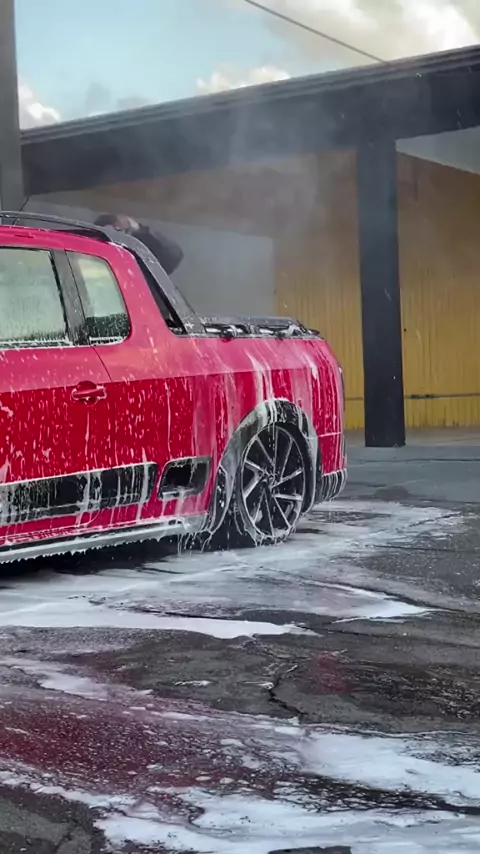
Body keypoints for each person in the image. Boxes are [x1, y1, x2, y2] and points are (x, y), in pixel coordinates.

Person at [94, 213, 184, 275]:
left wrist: (139, 230)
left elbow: (172, 256)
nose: (114, 241)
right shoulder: (94, 264)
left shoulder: (137, 266)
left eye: (119, 232)